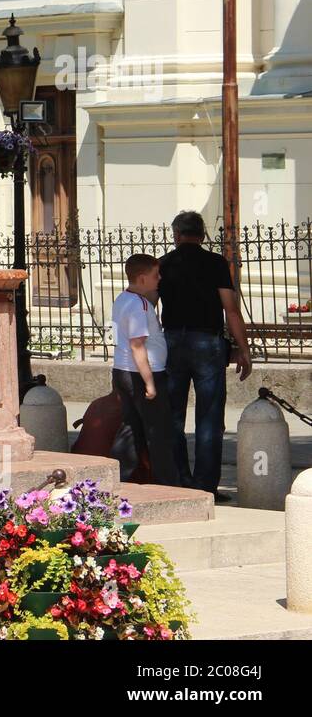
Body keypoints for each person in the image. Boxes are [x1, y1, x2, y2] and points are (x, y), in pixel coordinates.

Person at [158, 210, 252, 501]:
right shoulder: (215, 263)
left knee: (172, 415)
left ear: (176, 235)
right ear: (201, 235)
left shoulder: (163, 264)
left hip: (172, 341)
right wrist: (244, 349)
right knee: (210, 416)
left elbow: (148, 306)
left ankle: (178, 479)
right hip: (207, 343)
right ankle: (205, 486)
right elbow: (231, 310)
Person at [110, 253, 181, 487]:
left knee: (130, 430)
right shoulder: (140, 305)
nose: (159, 278)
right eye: (155, 275)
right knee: (158, 432)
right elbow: (137, 344)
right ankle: (168, 486)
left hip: (122, 370)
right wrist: (149, 382)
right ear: (142, 279)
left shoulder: (122, 299)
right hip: (142, 374)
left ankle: (116, 480)